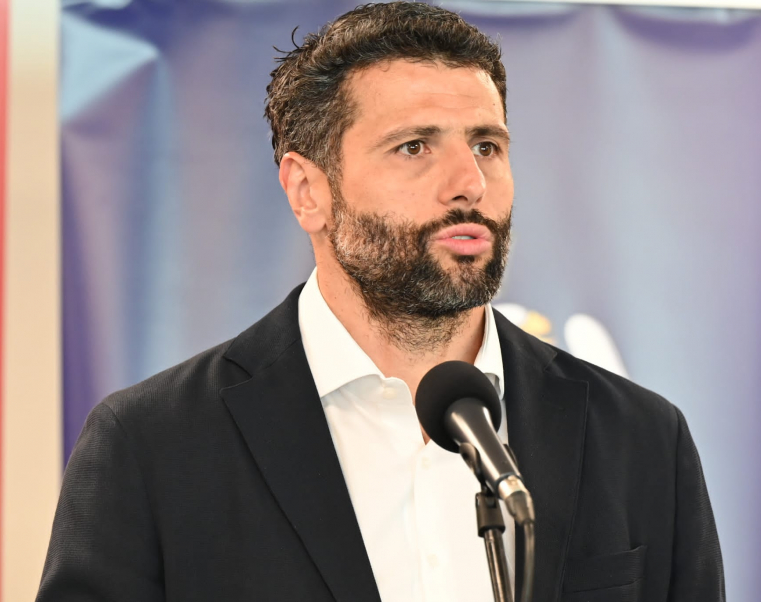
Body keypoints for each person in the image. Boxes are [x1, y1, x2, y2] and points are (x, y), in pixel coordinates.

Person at [37, 3, 725, 601]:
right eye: (414, 147)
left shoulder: (639, 438)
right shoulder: (153, 445)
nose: (469, 182)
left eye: (487, 145)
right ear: (308, 191)